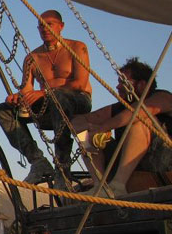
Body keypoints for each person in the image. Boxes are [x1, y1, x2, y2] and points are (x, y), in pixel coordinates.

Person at [0, 10, 92, 185]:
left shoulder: (77, 48)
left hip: (77, 101)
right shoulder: (32, 58)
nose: (44, 29)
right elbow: (27, 90)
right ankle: (38, 162)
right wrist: (18, 98)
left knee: (59, 98)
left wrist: (46, 92)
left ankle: (62, 168)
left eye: (49, 24)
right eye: (41, 25)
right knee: (3, 110)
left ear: (61, 26)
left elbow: (79, 84)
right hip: (48, 105)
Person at [72, 58, 172, 197]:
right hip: (128, 165)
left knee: (139, 120)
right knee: (85, 133)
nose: (118, 86)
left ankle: (118, 185)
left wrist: (102, 128)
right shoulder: (121, 107)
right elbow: (76, 122)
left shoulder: (163, 97)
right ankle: (100, 186)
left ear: (141, 84)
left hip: (162, 162)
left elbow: (138, 112)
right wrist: (91, 128)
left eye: (123, 82)